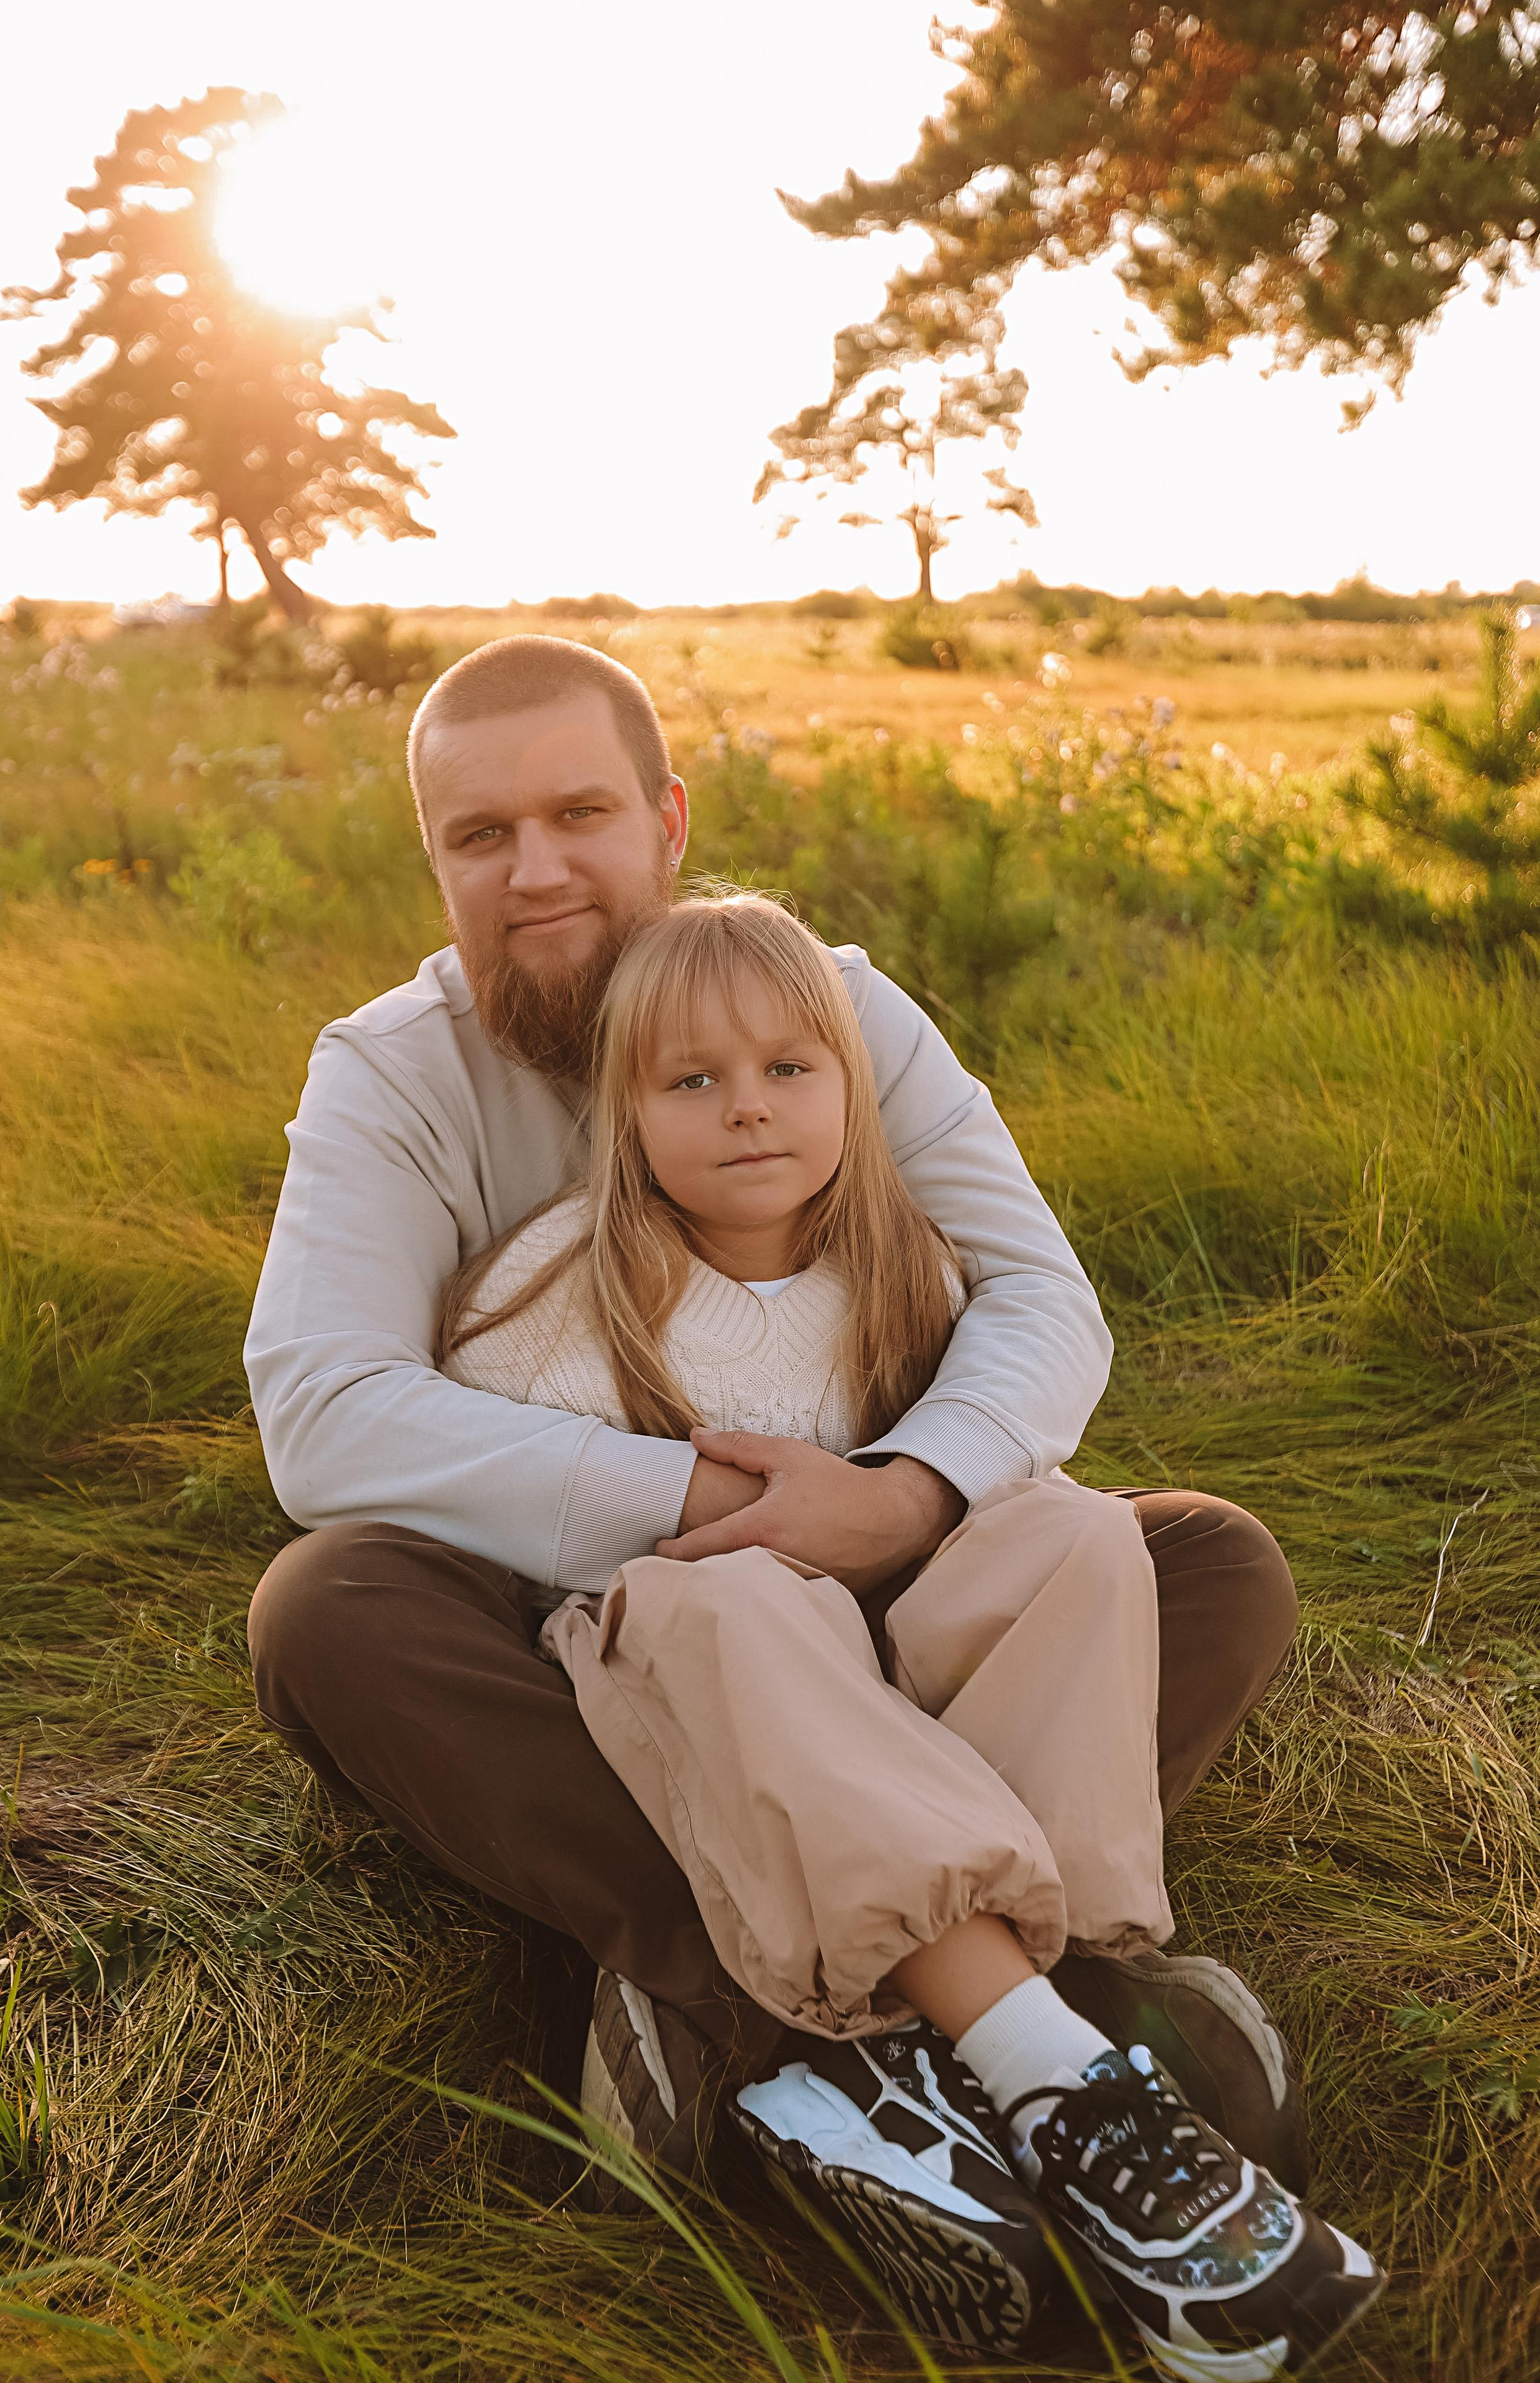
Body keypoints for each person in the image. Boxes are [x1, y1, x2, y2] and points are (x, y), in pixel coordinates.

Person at [245, 635, 1305, 2335]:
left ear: (667, 819)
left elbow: (1043, 1299)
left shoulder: (828, 1002)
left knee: (1205, 1562)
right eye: (480, 835)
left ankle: (748, 2039)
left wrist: (900, 1499)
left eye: (580, 812)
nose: (536, 871)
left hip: (888, 1590)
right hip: (621, 1639)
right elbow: (324, 1415)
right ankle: (1005, 2024)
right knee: (327, 1607)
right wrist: (687, 1502)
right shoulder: (391, 1075)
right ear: (433, 860)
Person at [431, 891, 1381, 2379]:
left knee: (1076, 1528)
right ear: (621, 1111)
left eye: (787, 1070)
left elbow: (982, 1490)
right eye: (691, 1082)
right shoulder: (550, 1302)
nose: (747, 1111)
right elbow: (514, 1542)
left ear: (853, 1083)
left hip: (894, 1685)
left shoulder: (907, 1269)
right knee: (740, 1592)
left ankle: (969, 2062)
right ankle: (1062, 2078)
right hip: (702, 1684)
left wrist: (902, 1523)